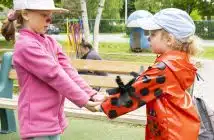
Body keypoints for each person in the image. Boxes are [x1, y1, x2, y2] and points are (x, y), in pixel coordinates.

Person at [1, 0, 104, 140]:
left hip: (53, 120)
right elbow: (54, 75)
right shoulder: (25, 45)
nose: (49, 20)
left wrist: (91, 94)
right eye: (44, 15)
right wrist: (84, 100)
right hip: (36, 123)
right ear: (25, 14)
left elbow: (68, 71)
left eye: (50, 15)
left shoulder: (51, 42)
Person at [101, 8, 201, 140]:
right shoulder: (178, 61)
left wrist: (102, 106)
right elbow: (141, 84)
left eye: (153, 34)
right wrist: (108, 96)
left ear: (169, 40)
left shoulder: (164, 69)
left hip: (170, 133)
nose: (148, 37)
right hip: (178, 128)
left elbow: (135, 93)